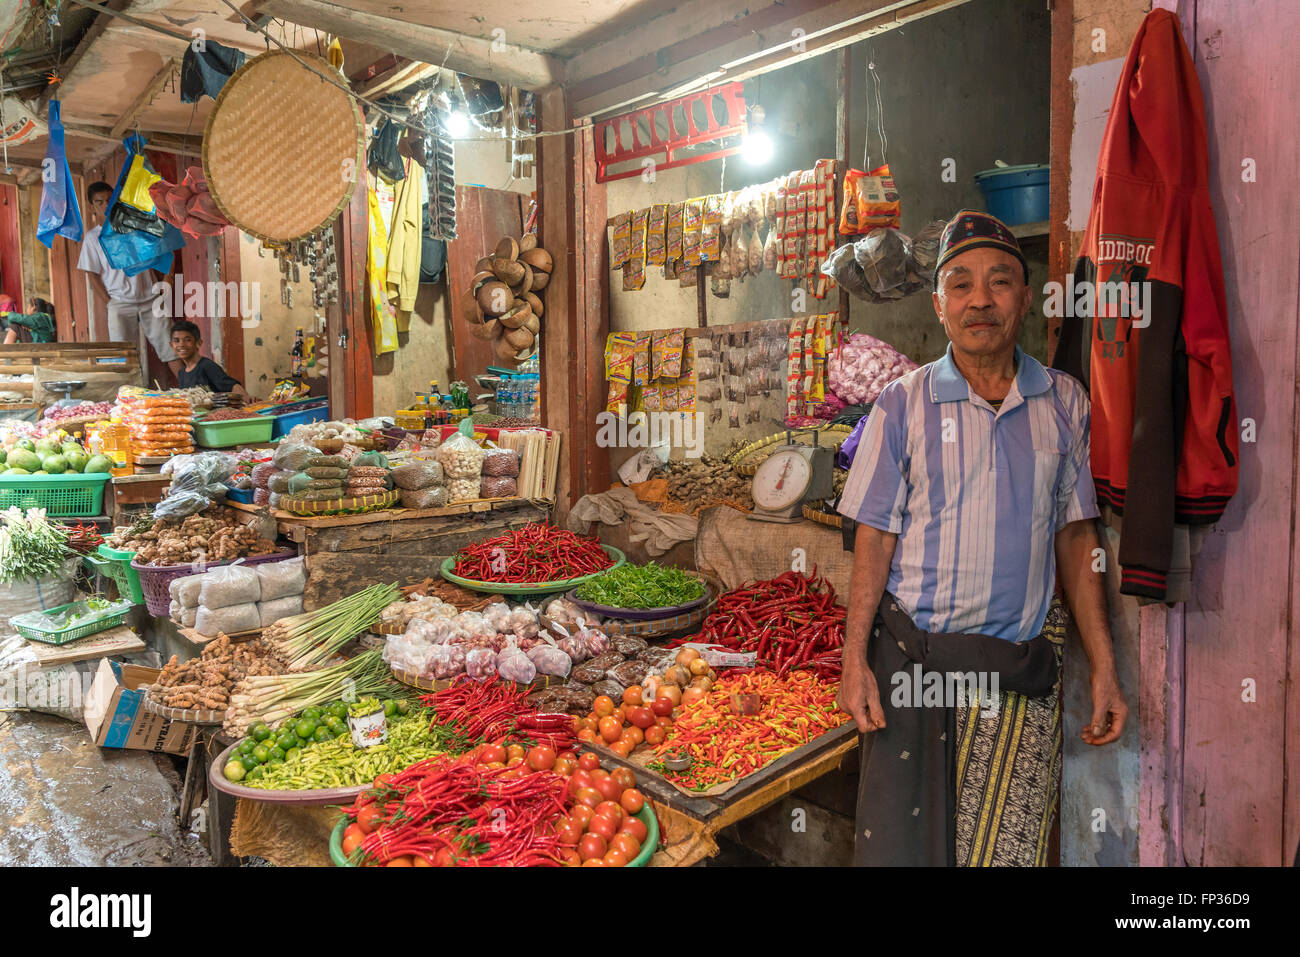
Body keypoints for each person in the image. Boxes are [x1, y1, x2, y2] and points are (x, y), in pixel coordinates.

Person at [836, 209, 1128, 867]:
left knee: (1006, 856)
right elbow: (874, 540)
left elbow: (1077, 538)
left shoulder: (1064, 401)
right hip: (914, 673)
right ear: (938, 305)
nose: (980, 300)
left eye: (999, 282)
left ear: (1024, 299)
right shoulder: (901, 405)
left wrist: (1104, 664)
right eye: (961, 284)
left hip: (1015, 679)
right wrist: (854, 658)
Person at [77, 180, 181, 377]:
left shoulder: (137, 228)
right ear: (92, 206)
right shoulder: (93, 238)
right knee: (123, 356)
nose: (106, 205)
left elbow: (169, 249)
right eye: (100, 202)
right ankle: (128, 400)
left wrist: (167, 282)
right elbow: (90, 274)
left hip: (151, 299)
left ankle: (192, 392)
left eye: (110, 199)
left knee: (171, 351)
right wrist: (109, 303)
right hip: (119, 303)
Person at [170, 320, 247, 397]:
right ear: (171, 345)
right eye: (176, 341)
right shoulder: (182, 373)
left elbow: (232, 386)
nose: (181, 344)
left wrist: (246, 397)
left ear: (198, 343)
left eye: (188, 340)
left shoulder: (208, 366)